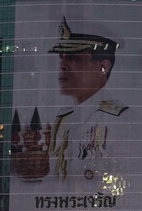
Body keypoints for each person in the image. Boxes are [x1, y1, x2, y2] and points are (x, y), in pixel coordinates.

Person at [11, 17, 128, 191]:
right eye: (62, 58)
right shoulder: (63, 118)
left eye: (73, 58)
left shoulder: (122, 119)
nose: (63, 65)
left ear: (103, 67)